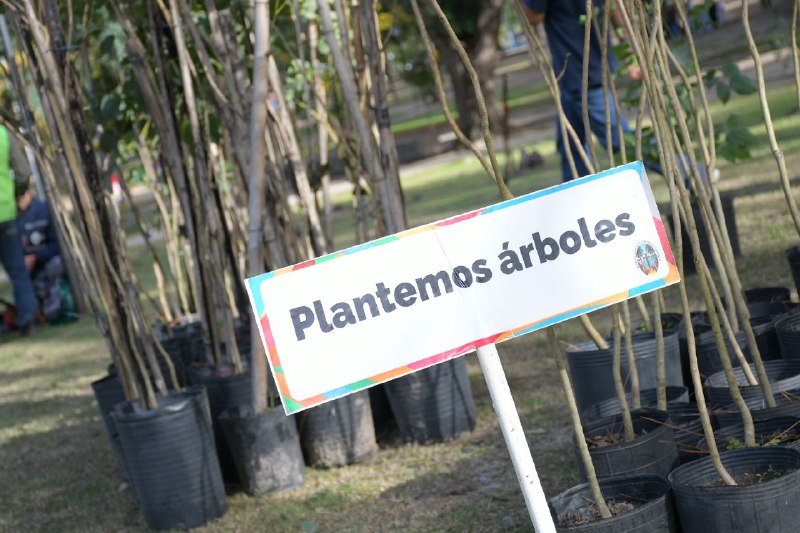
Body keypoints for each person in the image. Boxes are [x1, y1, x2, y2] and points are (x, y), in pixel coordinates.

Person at [521, 0, 640, 182]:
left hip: (580, 74)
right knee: (571, 151)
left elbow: (533, 17)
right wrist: (630, 51)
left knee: (623, 143)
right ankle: (577, 204)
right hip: (582, 73)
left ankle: (688, 177)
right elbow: (615, 8)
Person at [0, 124, 37, 336]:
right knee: (17, 270)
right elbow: (23, 172)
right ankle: (27, 319)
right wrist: (17, 194)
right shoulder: (4, 135)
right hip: (5, 212)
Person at [16, 176, 65, 323]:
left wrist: (35, 257)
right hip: (26, 272)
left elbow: (56, 246)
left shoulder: (43, 210)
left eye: (20, 194)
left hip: (46, 265)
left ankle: (54, 308)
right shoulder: (12, 216)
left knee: (56, 264)